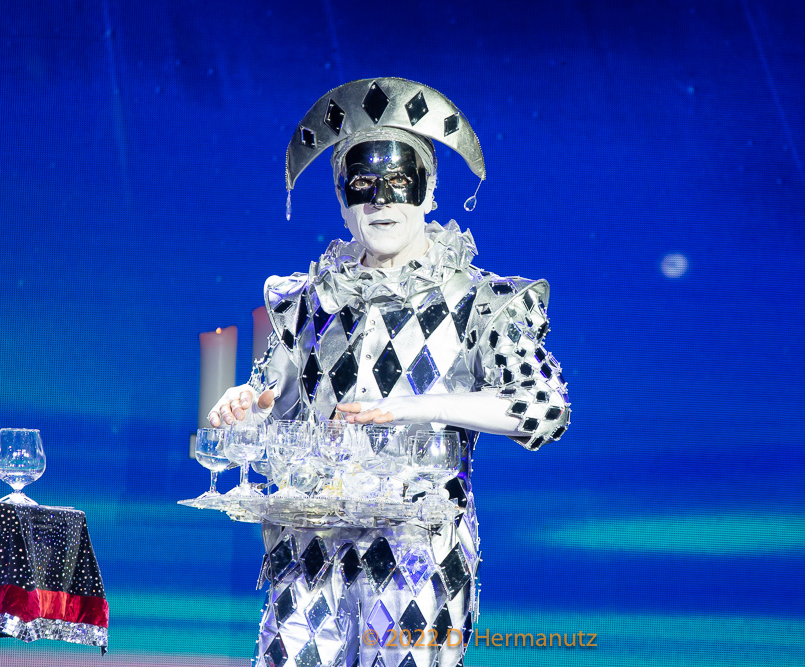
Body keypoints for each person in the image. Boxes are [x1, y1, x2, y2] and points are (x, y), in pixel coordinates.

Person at [208, 78, 570, 667]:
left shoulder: (481, 301)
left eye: (400, 181)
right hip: (311, 553)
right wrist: (246, 406)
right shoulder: (304, 301)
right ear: (342, 200)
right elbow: (273, 400)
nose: (381, 201)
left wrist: (412, 407)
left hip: (417, 555)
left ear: (429, 193)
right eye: (363, 184)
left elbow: (544, 408)